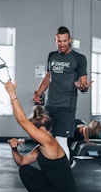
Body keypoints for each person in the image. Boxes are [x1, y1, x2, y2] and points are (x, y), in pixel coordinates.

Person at [32, 26, 93, 167]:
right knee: (45, 137)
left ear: (69, 40)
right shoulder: (52, 56)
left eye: (65, 41)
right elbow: (48, 77)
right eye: (59, 41)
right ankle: (56, 165)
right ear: (55, 40)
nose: (62, 44)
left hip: (67, 105)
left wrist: (83, 87)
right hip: (50, 104)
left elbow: (84, 83)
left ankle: (66, 167)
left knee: (61, 139)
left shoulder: (79, 58)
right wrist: (38, 93)